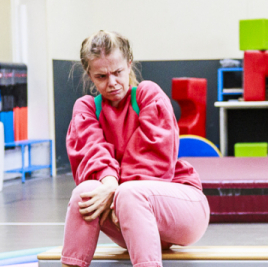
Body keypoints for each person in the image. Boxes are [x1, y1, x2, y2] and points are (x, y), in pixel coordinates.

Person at [61, 31, 209, 267]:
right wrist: (110, 184)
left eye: (118, 72)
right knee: (84, 193)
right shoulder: (87, 108)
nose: (111, 83)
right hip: (124, 213)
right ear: (90, 75)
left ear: (129, 64)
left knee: (129, 194)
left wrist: (115, 191)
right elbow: (92, 153)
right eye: (101, 76)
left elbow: (154, 159)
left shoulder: (148, 95)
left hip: (178, 207)